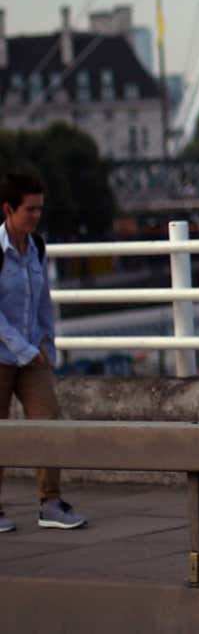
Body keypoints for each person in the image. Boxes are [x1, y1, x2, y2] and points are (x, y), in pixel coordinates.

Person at [0, 172, 87, 533]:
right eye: (29, 209)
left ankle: (50, 503)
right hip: (3, 355)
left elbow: (43, 302)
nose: (36, 216)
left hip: (32, 356)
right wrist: (22, 349)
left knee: (48, 421)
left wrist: (48, 346)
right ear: (8, 209)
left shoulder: (37, 246)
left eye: (40, 209)